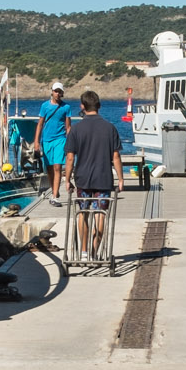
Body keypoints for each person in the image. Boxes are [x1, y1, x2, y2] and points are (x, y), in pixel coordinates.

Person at [63, 90, 122, 259]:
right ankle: (95, 251)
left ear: (82, 106)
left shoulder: (75, 129)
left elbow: (70, 157)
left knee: (82, 212)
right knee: (100, 214)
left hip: (83, 178)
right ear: (99, 106)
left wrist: (67, 179)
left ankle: (83, 251)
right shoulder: (110, 128)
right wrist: (121, 179)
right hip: (103, 178)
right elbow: (116, 156)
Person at [38, 81, 71, 206]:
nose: (57, 93)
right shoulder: (45, 106)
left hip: (60, 139)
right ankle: (54, 191)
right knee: (50, 169)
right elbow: (40, 124)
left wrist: (70, 142)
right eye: (55, 91)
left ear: (62, 93)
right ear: (52, 91)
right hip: (46, 140)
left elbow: (68, 127)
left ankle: (54, 196)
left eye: (59, 91)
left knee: (57, 167)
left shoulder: (66, 107)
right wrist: (36, 141)